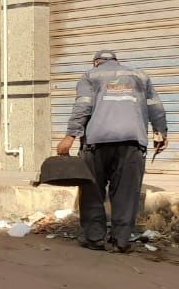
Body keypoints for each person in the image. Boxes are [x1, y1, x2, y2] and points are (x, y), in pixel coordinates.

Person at [56, 49, 168, 253]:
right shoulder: (140, 76)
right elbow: (156, 107)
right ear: (117, 61)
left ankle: (94, 238)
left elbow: (83, 106)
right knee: (126, 193)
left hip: (97, 142)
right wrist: (161, 133)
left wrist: (70, 136)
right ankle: (121, 241)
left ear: (96, 62)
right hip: (132, 143)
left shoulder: (90, 75)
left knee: (92, 190)